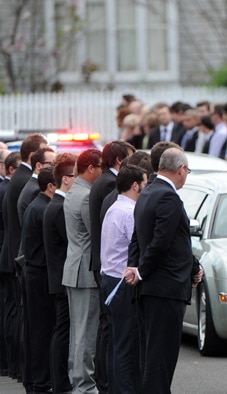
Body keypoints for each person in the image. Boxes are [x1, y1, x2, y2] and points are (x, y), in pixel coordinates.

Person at [123, 147, 202, 393]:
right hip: (165, 288)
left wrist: (136, 267)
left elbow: (138, 238)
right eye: (187, 170)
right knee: (161, 357)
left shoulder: (147, 192)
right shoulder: (168, 197)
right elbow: (161, 241)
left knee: (152, 354)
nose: (186, 175)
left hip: (152, 287)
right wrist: (141, 271)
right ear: (180, 170)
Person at [0, 133, 47, 382]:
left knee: (14, 313)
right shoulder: (26, 180)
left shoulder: (19, 178)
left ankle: (14, 366)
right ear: (34, 157)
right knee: (17, 315)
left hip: (12, 253)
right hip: (18, 256)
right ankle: (16, 366)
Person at [88, 140, 134, 394]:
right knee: (111, 331)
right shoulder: (110, 184)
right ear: (119, 161)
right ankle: (105, 380)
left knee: (109, 328)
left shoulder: (105, 181)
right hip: (110, 265)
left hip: (105, 262)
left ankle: (105, 379)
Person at [101, 165, 147, 393]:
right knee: (127, 347)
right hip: (123, 283)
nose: (146, 188)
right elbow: (139, 244)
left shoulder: (114, 207)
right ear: (136, 185)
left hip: (110, 280)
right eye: (145, 183)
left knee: (117, 344)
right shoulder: (129, 212)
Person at [62, 148, 102, 394]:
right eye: (100, 168)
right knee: (85, 333)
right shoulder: (86, 195)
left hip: (74, 268)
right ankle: (84, 385)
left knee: (78, 331)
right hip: (84, 272)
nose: (102, 172)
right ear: (91, 168)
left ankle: (78, 381)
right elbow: (94, 233)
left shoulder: (74, 190)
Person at [43, 154, 77, 394]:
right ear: (66, 179)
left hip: (58, 276)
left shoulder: (55, 204)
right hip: (61, 278)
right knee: (62, 331)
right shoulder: (59, 208)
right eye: (76, 176)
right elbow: (70, 242)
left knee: (61, 329)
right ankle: (61, 383)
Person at [20, 166, 56, 394]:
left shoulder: (37, 205)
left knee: (34, 330)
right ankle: (41, 382)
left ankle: (33, 380)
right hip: (39, 276)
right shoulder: (43, 209)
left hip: (32, 273)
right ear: (51, 186)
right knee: (42, 331)